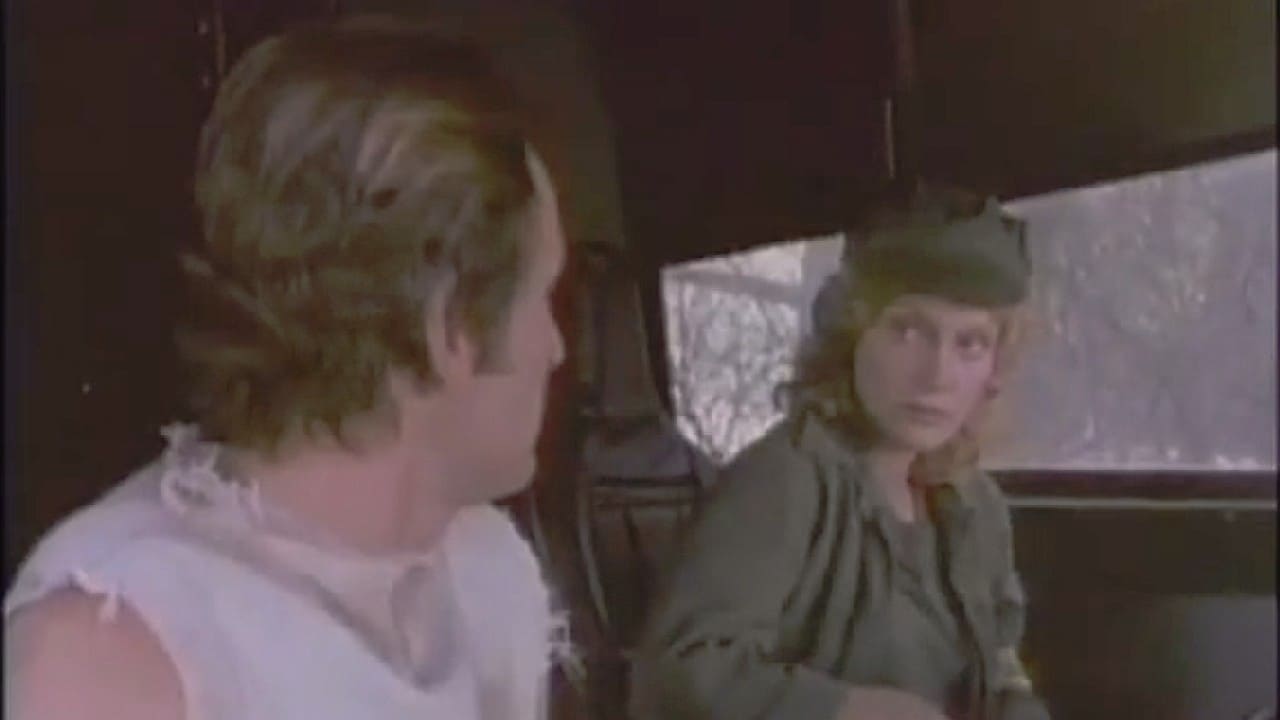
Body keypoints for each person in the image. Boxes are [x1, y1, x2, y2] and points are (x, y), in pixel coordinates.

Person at [5, 16, 567, 720]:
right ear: (452, 328)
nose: (556, 347)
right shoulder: (116, 649)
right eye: (543, 296)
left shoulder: (489, 576)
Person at [629, 187, 1052, 720]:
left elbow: (1002, 654)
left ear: (995, 366)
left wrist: (1016, 705)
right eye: (908, 331)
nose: (938, 374)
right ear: (851, 333)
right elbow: (677, 674)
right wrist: (850, 709)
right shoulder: (785, 480)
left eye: (970, 344)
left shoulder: (976, 505)